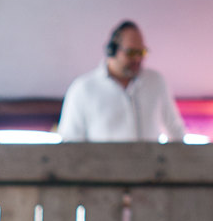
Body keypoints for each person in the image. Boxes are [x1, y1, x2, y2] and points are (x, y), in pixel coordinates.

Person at [57, 21, 187, 143]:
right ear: (111, 50)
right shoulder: (82, 89)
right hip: (101, 167)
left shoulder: (156, 82)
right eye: (131, 53)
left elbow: (175, 130)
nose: (137, 58)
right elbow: (70, 142)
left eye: (141, 52)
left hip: (150, 166)